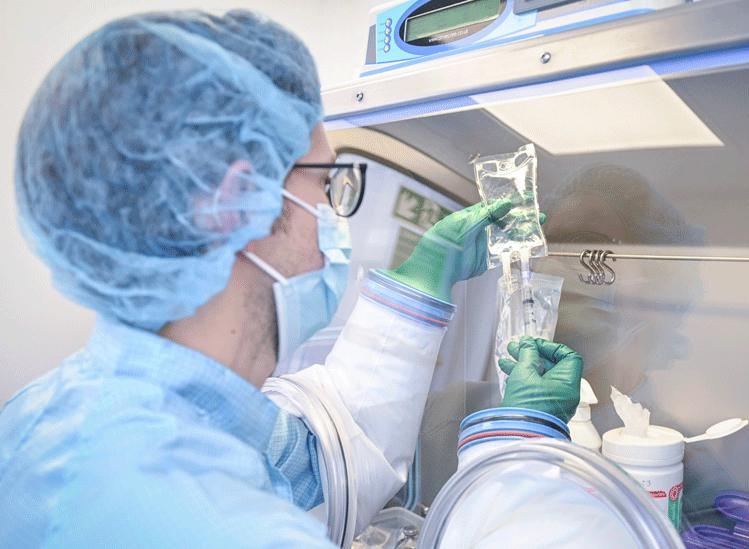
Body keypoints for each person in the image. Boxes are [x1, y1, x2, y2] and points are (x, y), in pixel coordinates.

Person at [0, 10, 582, 547]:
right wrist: (521, 447)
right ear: (237, 203)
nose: (333, 218)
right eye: (326, 188)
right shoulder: (223, 527)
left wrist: (421, 285)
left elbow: (314, 463)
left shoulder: (60, 413)